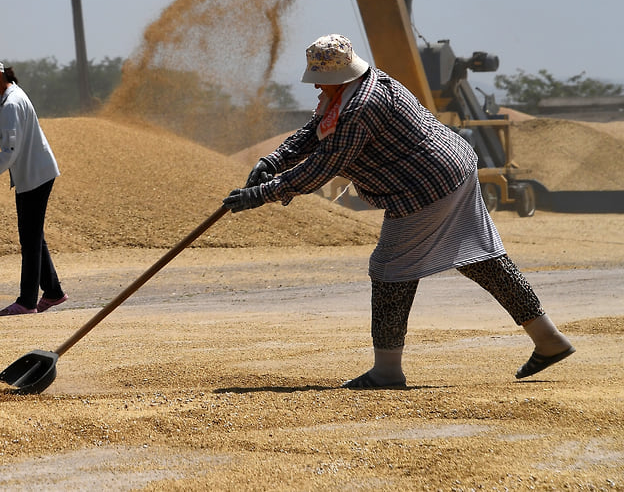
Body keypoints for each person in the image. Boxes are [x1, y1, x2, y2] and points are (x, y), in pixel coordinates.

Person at [223, 34, 574, 388]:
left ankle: (386, 371)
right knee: (479, 257)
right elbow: (315, 132)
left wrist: (262, 193)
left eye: (320, 77)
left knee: (390, 268)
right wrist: (273, 160)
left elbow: (323, 165)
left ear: (338, 77)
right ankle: (549, 339)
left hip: (425, 186)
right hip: (454, 168)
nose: (315, 83)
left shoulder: (361, 109)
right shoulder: (364, 86)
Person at [0, 55, 68, 316]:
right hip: (32, 173)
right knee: (33, 235)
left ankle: (27, 302)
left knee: (29, 239)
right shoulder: (6, 100)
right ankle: (53, 292)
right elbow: (9, 134)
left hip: (35, 175)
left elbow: (9, 153)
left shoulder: (12, 103)